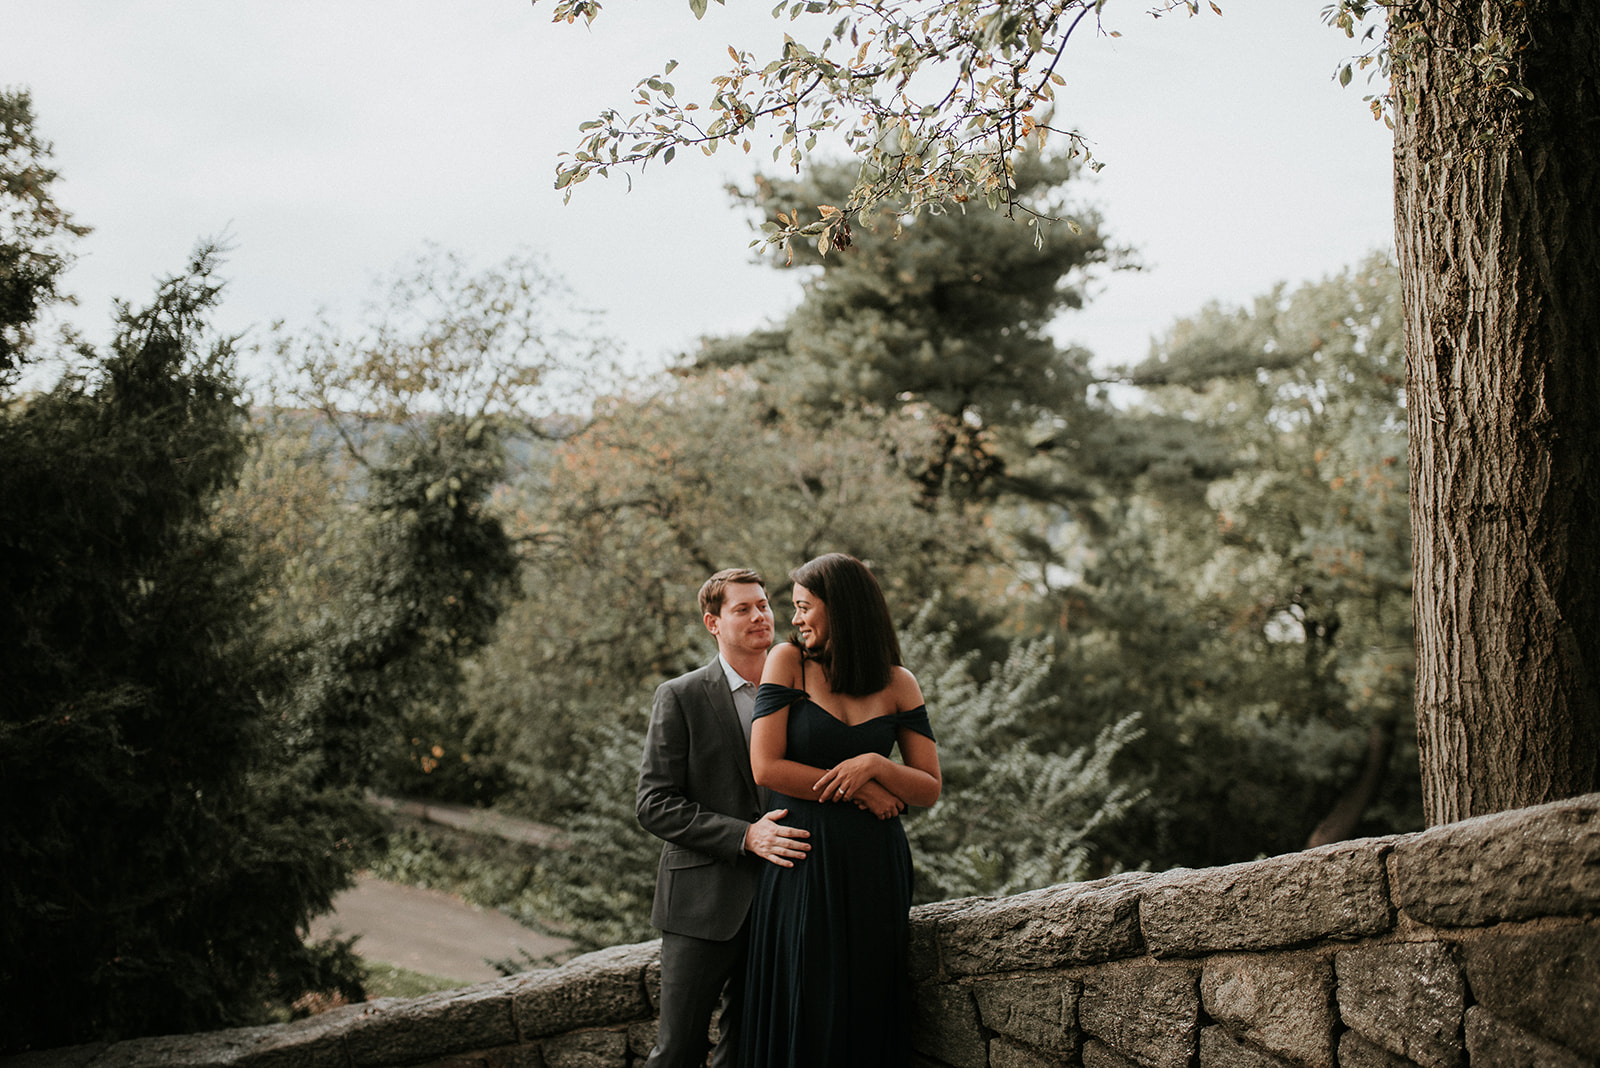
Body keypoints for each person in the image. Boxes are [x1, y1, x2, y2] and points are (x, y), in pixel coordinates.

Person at [738, 553, 942, 1068]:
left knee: (868, 1003)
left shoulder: (900, 682)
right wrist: (859, 790)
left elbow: (927, 787)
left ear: (842, 608)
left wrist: (874, 764)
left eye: (805, 606)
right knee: (807, 998)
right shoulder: (788, 662)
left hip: (875, 865)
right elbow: (767, 768)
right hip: (803, 857)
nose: (795, 618)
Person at [636, 568, 814, 1068]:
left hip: (783, 900)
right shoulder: (681, 696)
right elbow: (654, 803)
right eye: (743, 608)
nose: (761, 615)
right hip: (700, 905)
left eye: (763, 604)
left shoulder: (803, 692)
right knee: (677, 1051)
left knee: (746, 1053)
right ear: (713, 623)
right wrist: (745, 837)